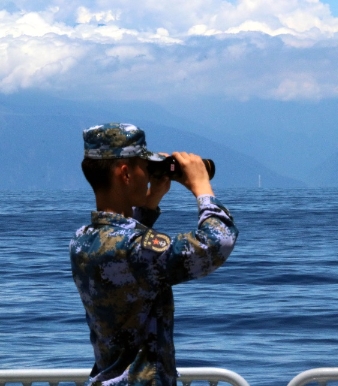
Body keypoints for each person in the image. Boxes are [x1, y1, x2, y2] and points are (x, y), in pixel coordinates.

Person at [70, 123, 238, 386]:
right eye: (144, 167)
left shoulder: (82, 240)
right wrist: (202, 188)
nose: (148, 175)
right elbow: (216, 244)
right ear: (125, 173)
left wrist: (149, 203)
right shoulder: (136, 249)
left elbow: (125, 247)